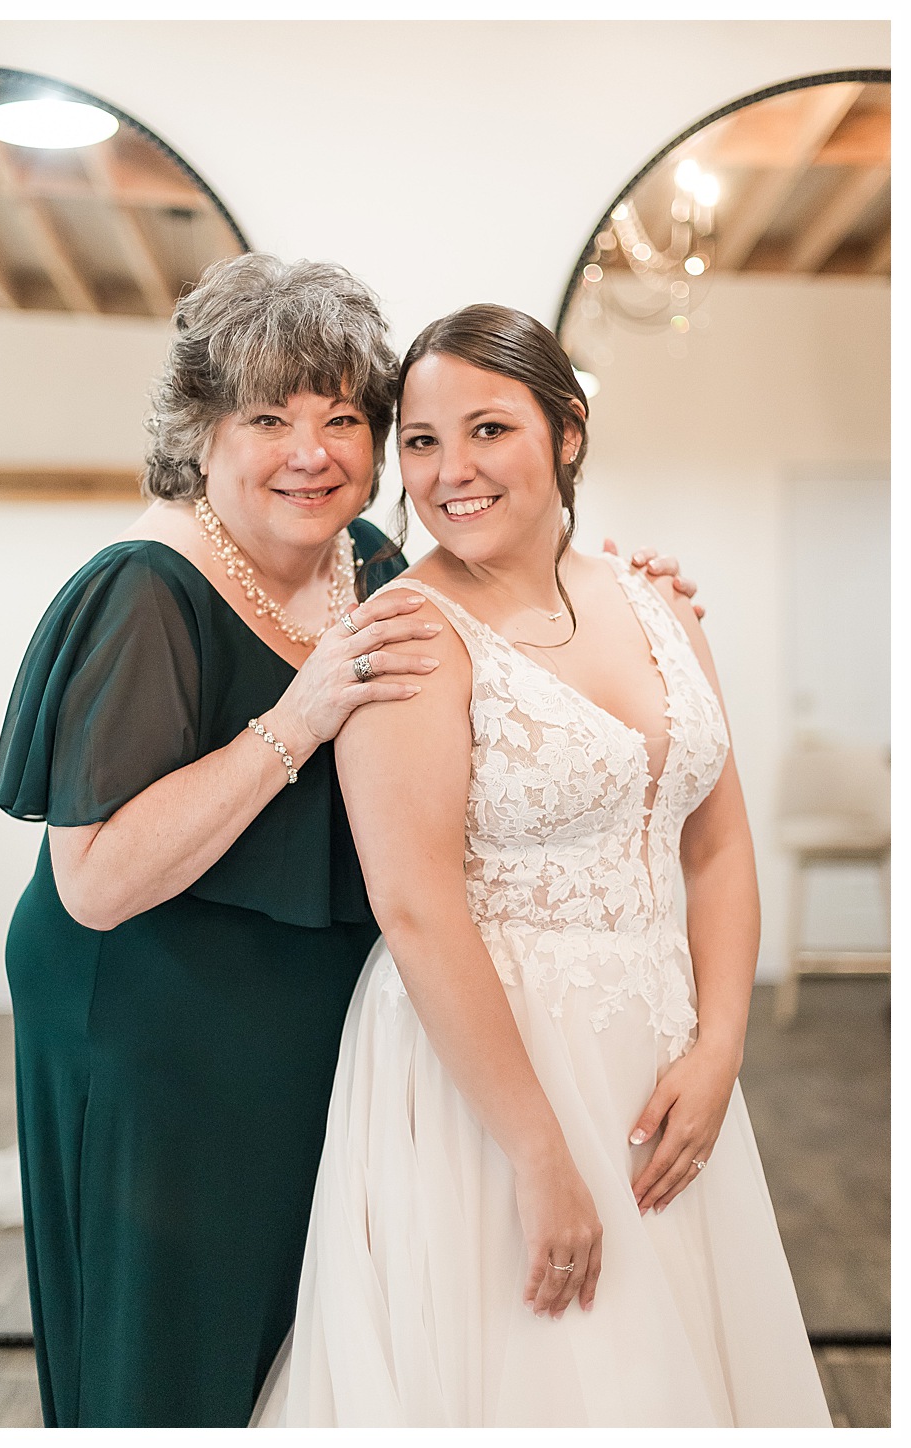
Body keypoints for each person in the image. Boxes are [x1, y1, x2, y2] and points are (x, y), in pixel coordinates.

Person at [0, 255, 699, 1426]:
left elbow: (515, 626)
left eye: (343, 419)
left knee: (305, 1345)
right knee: (173, 1353)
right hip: (154, 1027)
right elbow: (95, 881)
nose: (309, 452)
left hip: (309, 1018)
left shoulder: (368, 560)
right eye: (268, 418)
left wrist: (629, 593)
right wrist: (294, 718)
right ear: (202, 433)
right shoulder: (144, 589)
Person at [256, 305, 828, 1426]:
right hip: (490, 1074)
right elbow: (414, 907)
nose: (450, 472)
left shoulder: (658, 603)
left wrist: (720, 1044)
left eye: (488, 430)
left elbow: (715, 844)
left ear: (566, 431)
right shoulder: (407, 633)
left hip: (656, 1054)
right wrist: (536, 1151)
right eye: (422, 442)